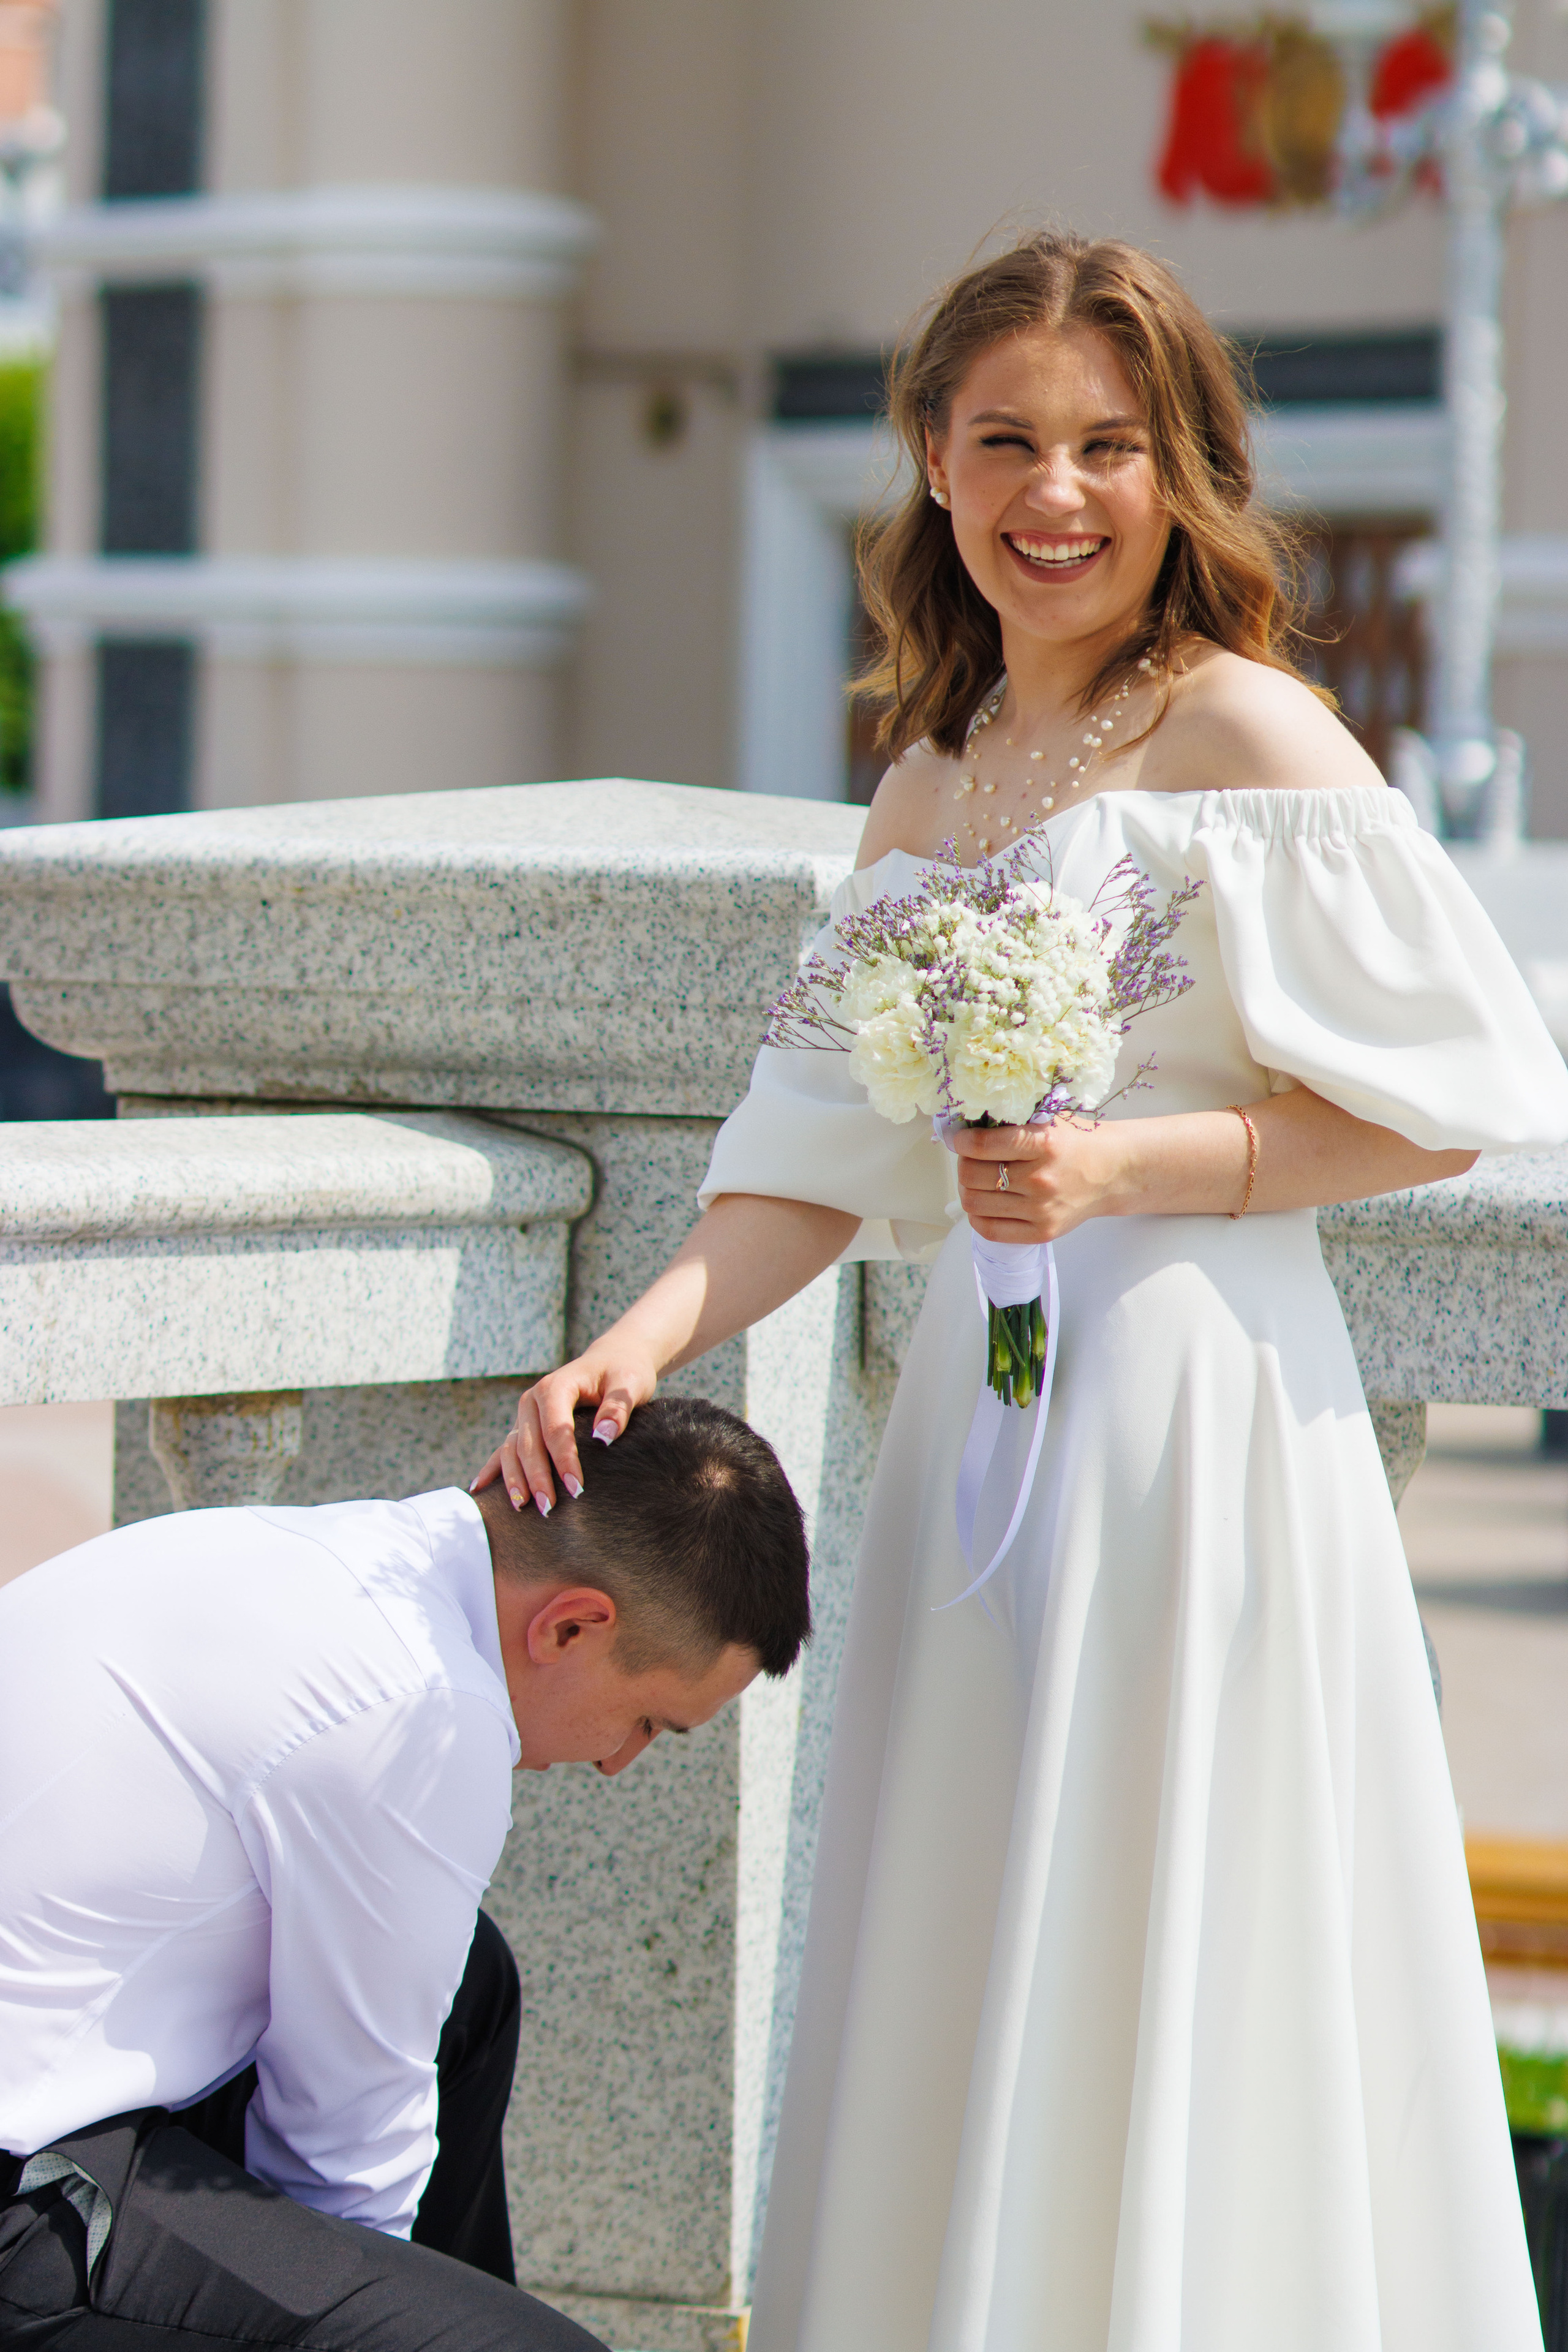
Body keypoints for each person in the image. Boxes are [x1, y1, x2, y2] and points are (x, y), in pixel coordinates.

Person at [481, 232, 1568, 2351]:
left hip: (1196, 1428)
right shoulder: (927, 782)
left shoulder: (1247, 730)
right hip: (983, 1448)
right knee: (977, 1910)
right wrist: (633, 1341)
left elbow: (1456, 1102)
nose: (1053, 494)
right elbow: (810, 1157)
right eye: (1006, 442)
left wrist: (1127, 1168)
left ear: (1180, 474)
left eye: (1106, 446)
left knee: (1184, 1909)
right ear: (932, 457)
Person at [0, 1395, 810, 2350]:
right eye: (647, 1722)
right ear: (571, 1628)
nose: (617, 1762)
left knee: (471, 1981)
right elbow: (345, 2160)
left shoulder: (331, 1551)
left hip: (65, 2083)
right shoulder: (423, 1709)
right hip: (27, 2192)